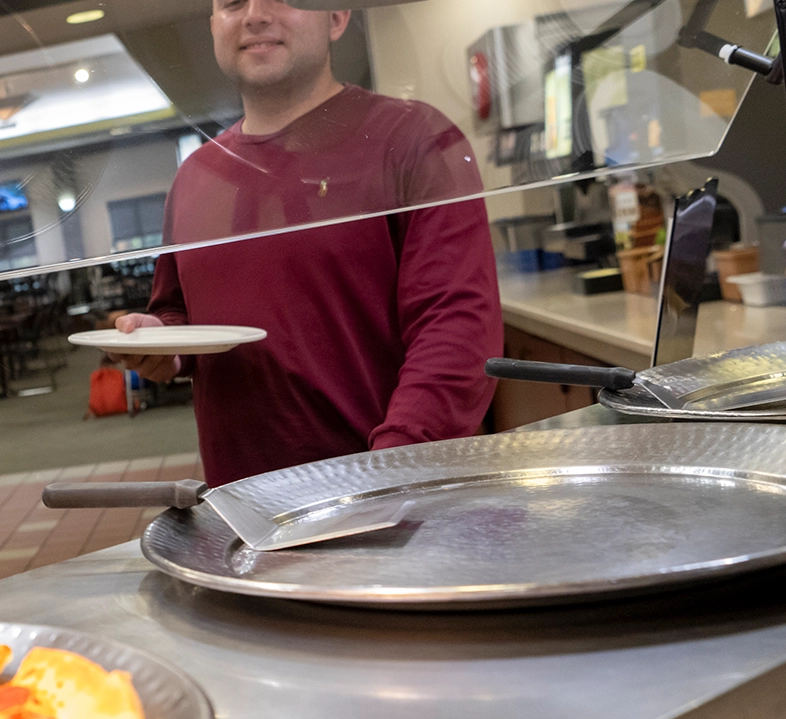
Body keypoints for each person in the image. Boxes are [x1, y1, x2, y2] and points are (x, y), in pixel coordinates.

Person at [110, 0, 501, 486]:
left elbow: (457, 329)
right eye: (232, 2)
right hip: (244, 502)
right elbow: (178, 314)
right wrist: (162, 344)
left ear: (336, 17)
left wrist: (389, 472)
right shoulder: (194, 177)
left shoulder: (414, 139)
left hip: (391, 494)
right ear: (213, 26)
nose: (255, 14)